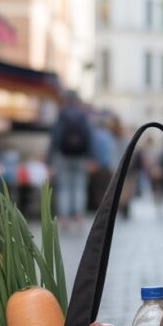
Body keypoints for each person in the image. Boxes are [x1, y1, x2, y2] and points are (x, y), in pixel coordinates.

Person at [48, 91, 92, 229]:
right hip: (81, 157)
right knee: (79, 187)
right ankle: (78, 217)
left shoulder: (62, 115)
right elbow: (90, 137)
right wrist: (91, 157)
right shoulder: (83, 116)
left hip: (63, 156)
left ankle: (65, 219)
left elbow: (55, 138)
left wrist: (50, 160)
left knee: (64, 188)